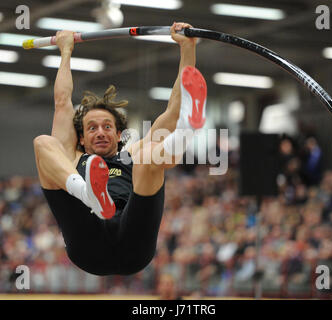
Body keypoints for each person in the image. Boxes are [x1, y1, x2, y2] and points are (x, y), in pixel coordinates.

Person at [33, 22, 207, 276]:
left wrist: (187, 48)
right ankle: (87, 192)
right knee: (43, 143)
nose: (101, 131)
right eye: (92, 128)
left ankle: (186, 129)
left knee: (148, 156)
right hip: (87, 245)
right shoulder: (73, 156)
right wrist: (66, 51)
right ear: (81, 138)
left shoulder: (133, 152)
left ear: (118, 133)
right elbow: (62, 102)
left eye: (107, 126)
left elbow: (172, 111)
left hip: (134, 243)